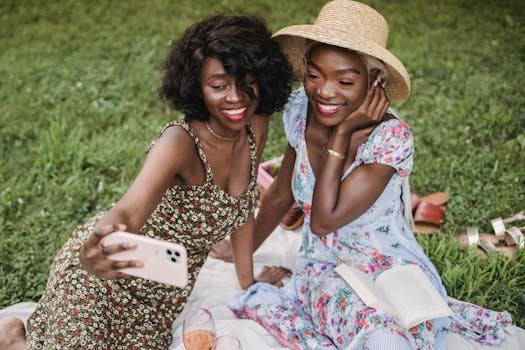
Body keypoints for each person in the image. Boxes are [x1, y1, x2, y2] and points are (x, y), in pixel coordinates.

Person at [230, 1, 513, 349]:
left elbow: (323, 218)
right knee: (380, 334)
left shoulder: (390, 138)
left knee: (410, 326)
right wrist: (240, 251)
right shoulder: (300, 111)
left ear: (374, 81)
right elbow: (282, 195)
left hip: (392, 267)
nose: (325, 91)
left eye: (345, 80)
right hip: (325, 266)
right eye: (314, 75)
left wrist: (341, 136)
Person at [0, 15, 293, 349]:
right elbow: (126, 210)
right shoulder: (180, 142)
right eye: (218, 85)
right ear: (196, 86)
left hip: (159, 296)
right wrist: (94, 249)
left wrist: (247, 281)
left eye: (246, 82)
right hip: (104, 279)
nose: (236, 97)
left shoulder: (255, 124)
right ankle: (15, 340)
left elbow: (241, 213)